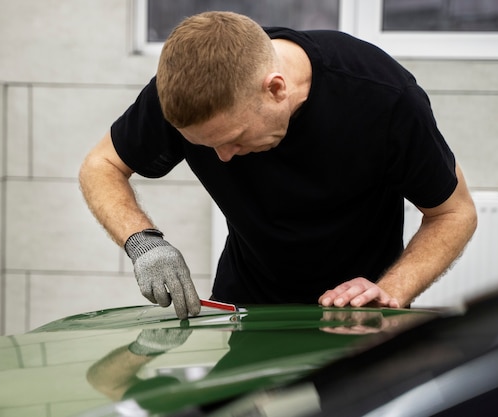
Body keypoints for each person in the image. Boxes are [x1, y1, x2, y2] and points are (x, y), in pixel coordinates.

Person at [79, 11, 477, 320]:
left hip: (359, 314)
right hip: (248, 308)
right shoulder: (184, 91)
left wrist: (393, 288)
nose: (222, 157)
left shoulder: (382, 96)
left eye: (234, 138)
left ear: (276, 88)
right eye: (206, 145)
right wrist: (143, 242)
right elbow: (101, 165)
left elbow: (453, 212)